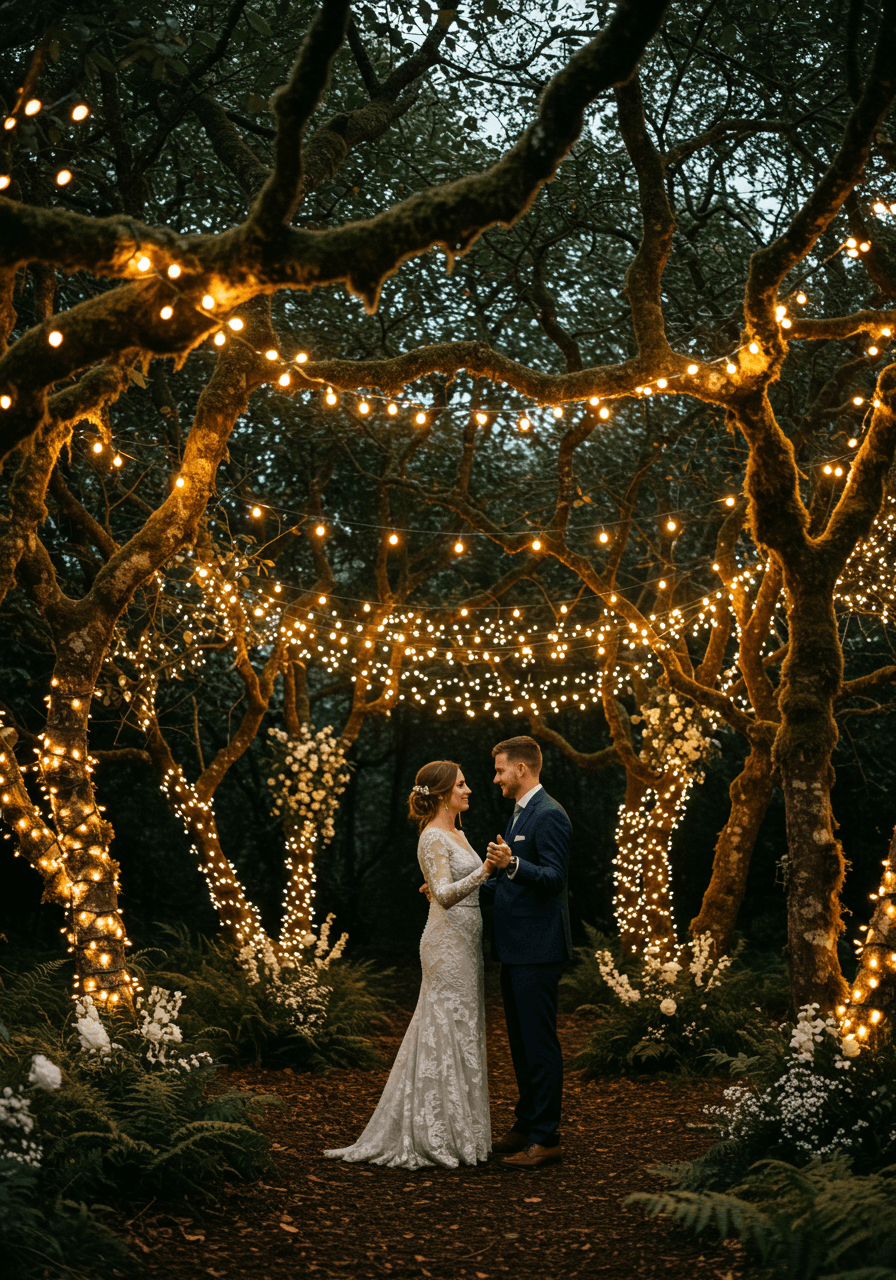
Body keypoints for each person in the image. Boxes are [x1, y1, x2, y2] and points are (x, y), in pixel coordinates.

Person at [323, 760, 499, 1169]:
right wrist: (485, 870)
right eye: (461, 784)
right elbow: (444, 893)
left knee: (464, 1027)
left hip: (467, 941)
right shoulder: (432, 837)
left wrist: (492, 867)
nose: (469, 789)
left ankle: (463, 1131)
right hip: (445, 943)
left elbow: (449, 884)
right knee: (443, 1026)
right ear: (441, 794)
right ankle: (432, 1132)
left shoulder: (458, 832)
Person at [481, 735, 573, 1170]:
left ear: (521, 769)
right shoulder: (520, 814)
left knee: (539, 1044)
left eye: (500, 770)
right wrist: (462, 890)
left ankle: (546, 1137)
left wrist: (512, 865)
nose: (496, 778)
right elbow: (509, 885)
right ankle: (525, 1123)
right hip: (516, 949)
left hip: (538, 950)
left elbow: (554, 878)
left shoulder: (549, 814)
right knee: (520, 1044)